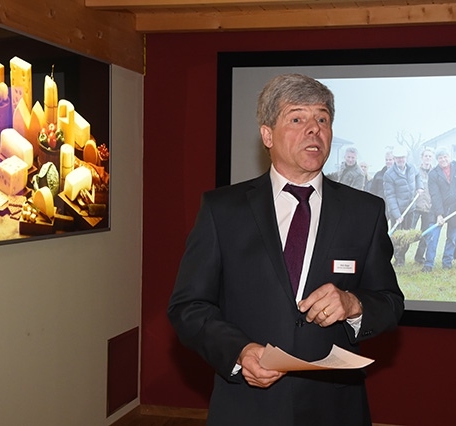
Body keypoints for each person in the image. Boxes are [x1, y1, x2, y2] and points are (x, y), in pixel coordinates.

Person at [167, 73, 404, 426]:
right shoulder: (222, 210)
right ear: (267, 135)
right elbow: (188, 307)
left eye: (322, 119)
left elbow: (389, 302)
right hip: (248, 407)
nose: (314, 130)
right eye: (297, 119)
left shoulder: (364, 211)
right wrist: (239, 351)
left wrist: (353, 304)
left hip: (334, 408)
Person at [384, 145, 423, 266]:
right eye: (398, 158)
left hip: (410, 209)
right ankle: (398, 259)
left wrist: (419, 187)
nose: (400, 160)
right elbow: (390, 196)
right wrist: (397, 215)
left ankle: (402, 257)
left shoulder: (412, 168)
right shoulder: (389, 174)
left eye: (402, 157)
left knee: (407, 236)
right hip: (397, 211)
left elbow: (418, 176)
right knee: (397, 237)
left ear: (406, 157)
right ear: (394, 159)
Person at [412, 147, 434, 264]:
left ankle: (419, 257)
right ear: (422, 157)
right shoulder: (415, 171)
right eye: (426, 156)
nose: (427, 158)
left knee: (425, 233)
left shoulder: (434, 173)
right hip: (416, 206)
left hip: (429, 207)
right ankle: (400, 257)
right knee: (409, 232)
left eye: (430, 156)